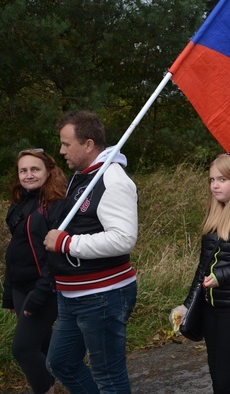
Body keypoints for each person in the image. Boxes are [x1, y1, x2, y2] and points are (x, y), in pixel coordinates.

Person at [43, 111, 139, 392]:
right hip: (71, 293)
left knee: (108, 375)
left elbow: (123, 239)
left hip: (103, 294)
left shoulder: (112, 179)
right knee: (61, 363)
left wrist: (66, 243)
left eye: (66, 144)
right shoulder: (81, 177)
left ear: (87, 144)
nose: (61, 151)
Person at [172, 152, 230, 393]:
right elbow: (202, 268)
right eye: (212, 180)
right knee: (217, 377)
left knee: (227, 379)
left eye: (222, 179)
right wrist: (187, 304)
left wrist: (223, 276)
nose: (214, 186)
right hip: (211, 307)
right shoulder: (216, 215)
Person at [3, 149, 66, 394]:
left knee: (24, 349)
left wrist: (41, 292)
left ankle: (50, 389)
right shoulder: (20, 201)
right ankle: (68, 381)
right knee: (41, 344)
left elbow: (55, 257)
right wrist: (8, 291)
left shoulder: (57, 205)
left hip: (43, 287)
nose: (29, 175)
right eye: (23, 170)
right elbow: (15, 249)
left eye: (35, 169)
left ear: (48, 171)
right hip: (20, 286)